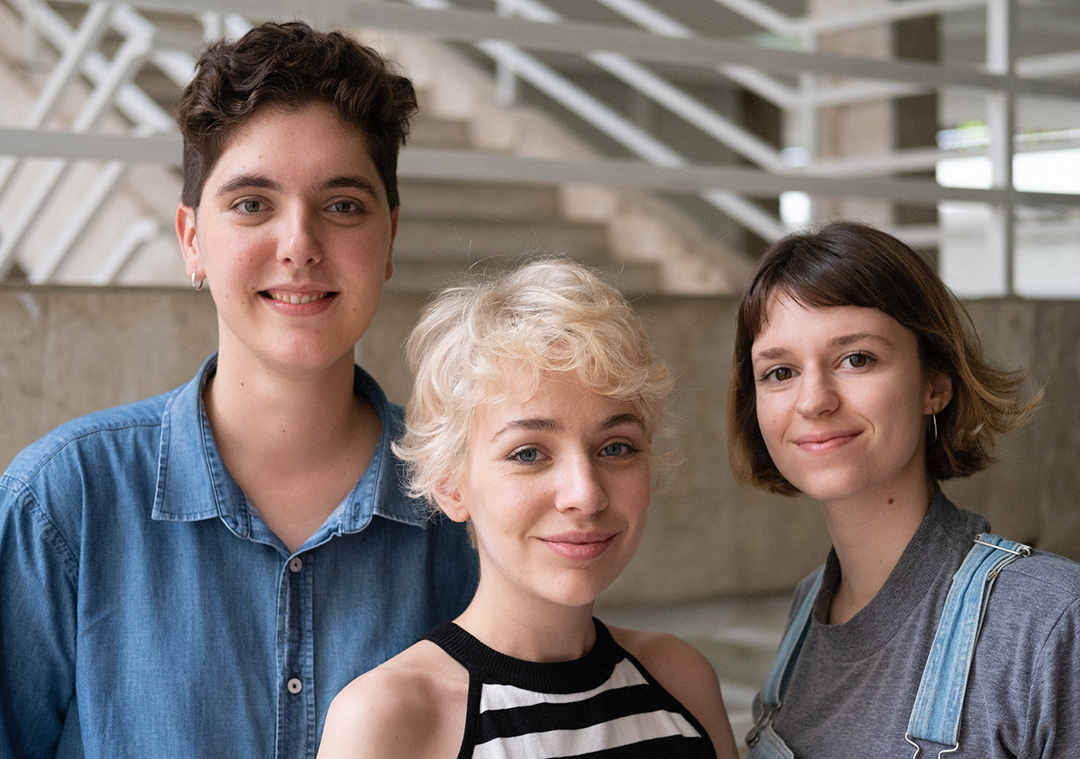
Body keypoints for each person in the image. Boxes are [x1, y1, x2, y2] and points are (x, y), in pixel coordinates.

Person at [0, 21, 477, 757]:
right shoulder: (62, 504)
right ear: (191, 239)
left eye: (344, 204)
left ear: (390, 239)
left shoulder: (471, 508)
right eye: (252, 203)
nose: (299, 243)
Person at [316, 258, 739, 759]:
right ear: (451, 484)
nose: (585, 493)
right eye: (529, 453)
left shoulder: (681, 680)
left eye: (616, 447)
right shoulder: (390, 721)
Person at [727, 221, 1080, 758]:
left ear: (934, 385)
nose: (814, 400)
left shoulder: (1052, 621)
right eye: (779, 372)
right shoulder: (806, 612)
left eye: (856, 359)